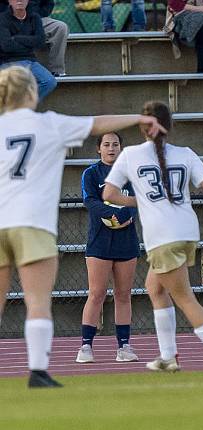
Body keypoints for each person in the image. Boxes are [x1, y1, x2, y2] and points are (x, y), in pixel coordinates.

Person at [0, 65, 166, 388]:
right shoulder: (49, 124)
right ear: (33, 93)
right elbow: (97, 124)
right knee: (36, 301)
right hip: (33, 223)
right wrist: (138, 118)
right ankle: (37, 372)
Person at [103, 101, 203, 375]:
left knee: (184, 298)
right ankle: (168, 356)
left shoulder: (131, 154)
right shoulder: (185, 153)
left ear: (143, 126)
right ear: (169, 126)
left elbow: (109, 194)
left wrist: (139, 201)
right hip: (187, 232)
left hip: (161, 235)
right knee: (154, 288)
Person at [75, 132, 141, 365]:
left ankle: (123, 346)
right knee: (96, 293)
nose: (111, 148)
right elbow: (90, 201)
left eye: (115, 144)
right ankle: (86, 346)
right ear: (98, 149)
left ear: (121, 148)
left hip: (126, 241)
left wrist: (127, 216)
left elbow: (138, 199)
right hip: (99, 242)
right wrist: (110, 214)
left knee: (123, 294)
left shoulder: (130, 173)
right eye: (106, 144)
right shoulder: (91, 173)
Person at [0, 0, 56, 100]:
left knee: (49, 81)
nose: (19, 0)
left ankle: (23, 106)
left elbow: (40, 41)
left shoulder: (35, 18)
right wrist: (30, 42)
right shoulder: (2, 19)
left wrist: (17, 38)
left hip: (30, 60)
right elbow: (7, 46)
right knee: (18, 86)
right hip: (8, 61)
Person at [0, 0, 68, 76]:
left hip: (34, 18)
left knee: (60, 27)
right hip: (7, 20)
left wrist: (34, 16)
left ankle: (57, 71)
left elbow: (48, 4)